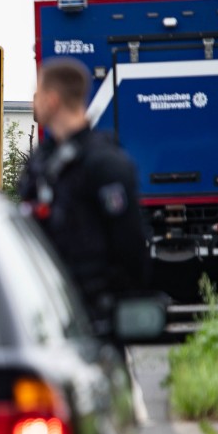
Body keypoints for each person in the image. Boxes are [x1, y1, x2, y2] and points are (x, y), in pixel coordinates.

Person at [19, 57, 150, 332]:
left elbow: (130, 244)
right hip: (50, 306)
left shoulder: (105, 163)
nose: (34, 103)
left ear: (52, 100)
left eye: (37, 94)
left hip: (96, 311)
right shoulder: (40, 163)